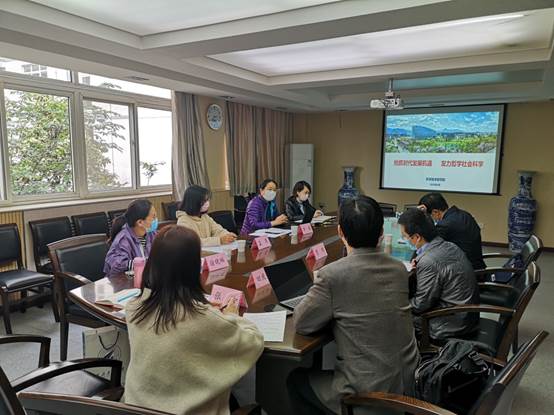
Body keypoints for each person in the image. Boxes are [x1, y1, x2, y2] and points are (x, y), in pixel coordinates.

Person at [288, 195, 419, 415]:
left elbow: (302, 323)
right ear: (381, 232)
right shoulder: (398, 268)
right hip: (408, 384)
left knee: (296, 380)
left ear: (340, 232)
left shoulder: (332, 275)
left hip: (368, 394)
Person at [123, 226, 264, 414]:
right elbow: (253, 341)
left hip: (136, 408)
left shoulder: (134, 307)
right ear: (193, 268)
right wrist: (231, 315)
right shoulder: (202, 317)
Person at [398, 208, 479, 341]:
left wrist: (397, 305)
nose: (404, 239)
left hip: (450, 324)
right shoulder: (449, 245)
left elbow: (420, 305)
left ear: (417, 237)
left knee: (393, 316)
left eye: (404, 236)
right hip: (467, 316)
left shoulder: (429, 261)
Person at [418, 192, 486, 270]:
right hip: (478, 266)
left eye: (429, 215)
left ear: (435, 212)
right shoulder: (465, 214)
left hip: (464, 271)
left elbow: (428, 247)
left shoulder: (444, 225)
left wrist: (418, 217)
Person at [104, 199, 158, 276]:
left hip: (145, 276)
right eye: (153, 217)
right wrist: (142, 263)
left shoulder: (151, 233)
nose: (156, 219)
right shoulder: (123, 239)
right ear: (140, 222)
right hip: (122, 280)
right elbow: (117, 265)